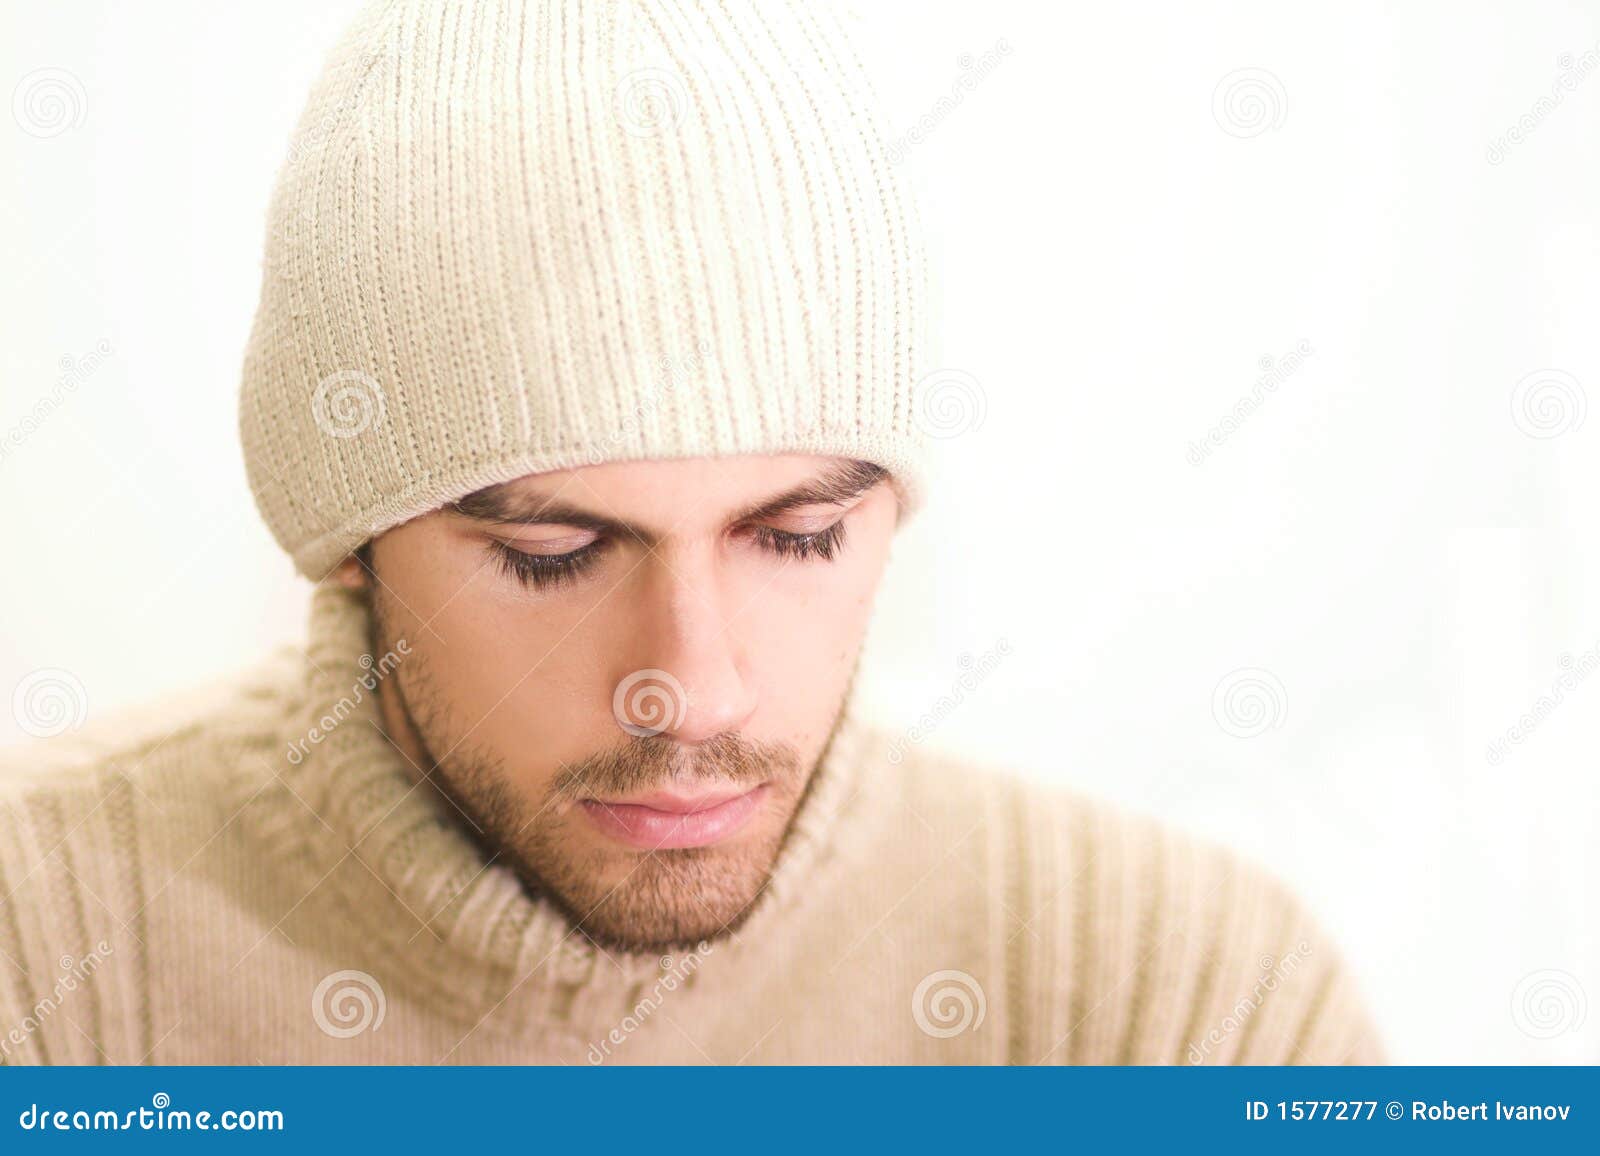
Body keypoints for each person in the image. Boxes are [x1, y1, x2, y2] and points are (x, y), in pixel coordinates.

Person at [0, 0, 1380, 1064]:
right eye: (556, 555)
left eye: (796, 539)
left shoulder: (1185, 1007)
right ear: (348, 537)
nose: (694, 685)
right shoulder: (42, 954)